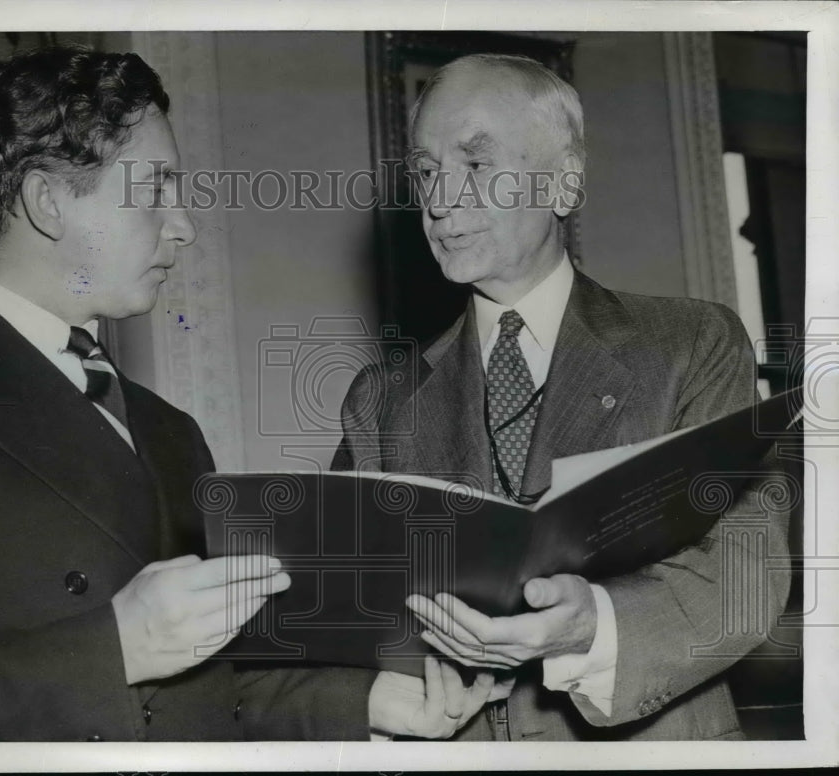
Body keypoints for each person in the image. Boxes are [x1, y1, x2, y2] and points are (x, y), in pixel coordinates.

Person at [0, 46, 496, 742]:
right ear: (48, 203)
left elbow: (209, 690)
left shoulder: (169, 431)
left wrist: (370, 704)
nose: (184, 225)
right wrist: (114, 647)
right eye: (155, 189)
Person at [333, 53, 790, 741]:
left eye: (477, 165)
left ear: (565, 184)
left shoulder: (694, 344)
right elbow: (340, 610)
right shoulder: (379, 402)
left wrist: (592, 627)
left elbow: (744, 572)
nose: (440, 200)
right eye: (426, 171)